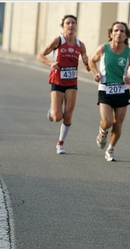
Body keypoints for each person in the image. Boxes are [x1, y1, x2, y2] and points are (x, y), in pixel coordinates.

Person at [37, 14, 90, 154]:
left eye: (73, 23)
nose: (71, 25)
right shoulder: (58, 40)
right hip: (57, 81)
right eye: (68, 23)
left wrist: (86, 61)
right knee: (57, 117)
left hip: (72, 82)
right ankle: (52, 110)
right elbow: (40, 55)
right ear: (63, 26)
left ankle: (60, 143)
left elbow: (87, 67)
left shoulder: (80, 45)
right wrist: (50, 63)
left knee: (68, 114)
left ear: (76, 26)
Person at [88, 21, 130, 162]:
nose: (119, 33)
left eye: (122, 31)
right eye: (116, 31)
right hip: (105, 89)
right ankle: (102, 132)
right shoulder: (103, 49)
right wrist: (96, 72)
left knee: (118, 124)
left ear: (126, 35)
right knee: (107, 121)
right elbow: (91, 61)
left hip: (122, 90)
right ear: (111, 34)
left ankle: (110, 149)